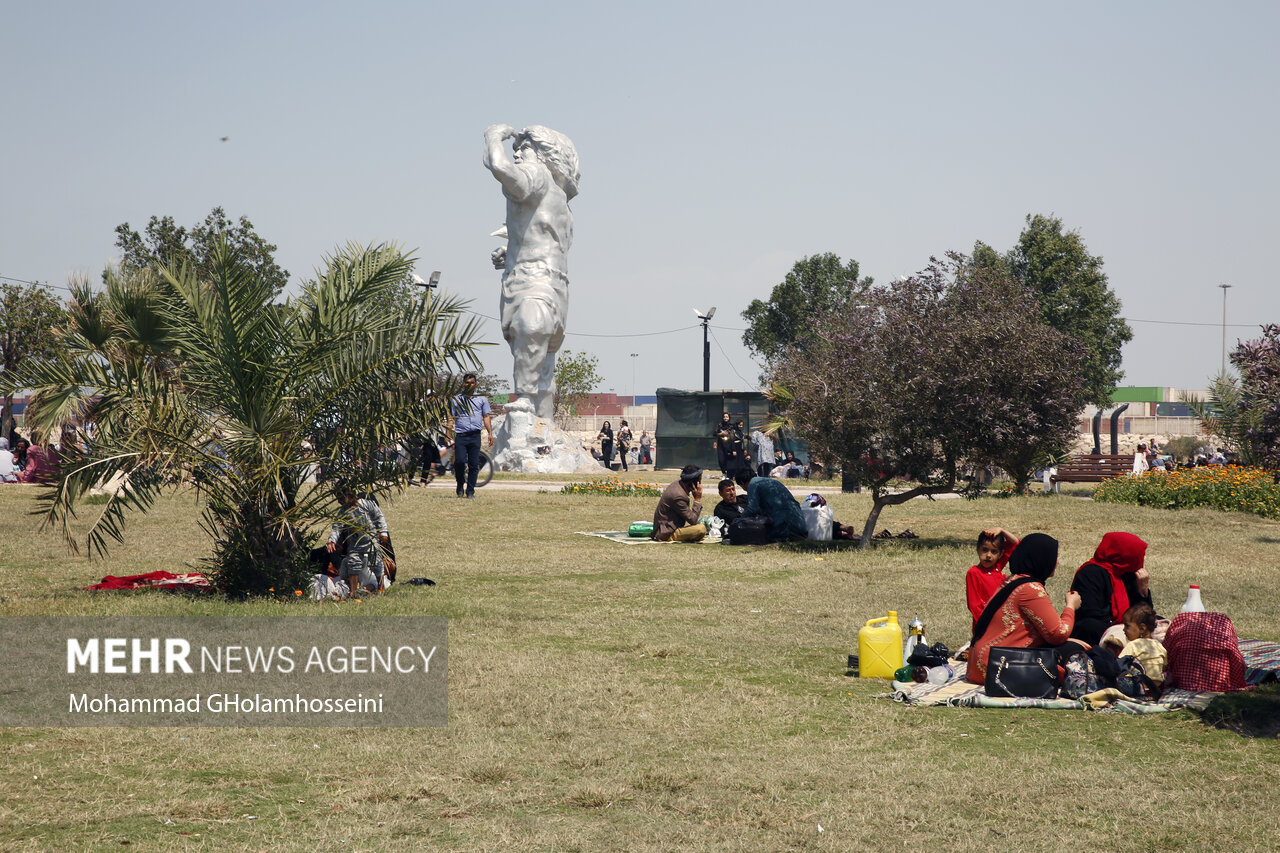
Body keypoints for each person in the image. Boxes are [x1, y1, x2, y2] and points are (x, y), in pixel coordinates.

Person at [483, 123, 580, 419]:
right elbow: (543, 240)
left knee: (530, 327)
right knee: (545, 361)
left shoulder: (536, 175)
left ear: (544, 154)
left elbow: (499, 166)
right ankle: (544, 424)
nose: (518, 154)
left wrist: (493, 137)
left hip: (531, 280)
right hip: (556, 284)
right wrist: (511, 252)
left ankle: (524, 401)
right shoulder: (562, 203)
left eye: (525, 148)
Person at [966, 533, 1081, 684]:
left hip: (979, 664)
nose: (1057, 562)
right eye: (1053, 557)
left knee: (1075, 646)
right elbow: (1057, 633)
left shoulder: (1013, 580)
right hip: (996, 669)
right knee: (1077, 654)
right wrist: (1071, 606)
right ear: (1041, 559)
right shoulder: (1030, 588)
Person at [1069, 531, 1153, 646]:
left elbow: (1144, 613)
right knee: (1090, 625)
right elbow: (1090, 611)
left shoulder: (1130, 574)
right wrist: (1119, 628)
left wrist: (1143, 591)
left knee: (1155, 622)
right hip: (1100, 628)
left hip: (1126, 625)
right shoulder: (1091, 573)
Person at [326, 483, 392, 596]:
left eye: (341, 498)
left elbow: (379, 516)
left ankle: (381, 587)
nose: (339, 501)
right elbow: (337, 527)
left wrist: (383, 532)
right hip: (355, 542)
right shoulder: (343, 511)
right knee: (353, 563)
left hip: (371, 539)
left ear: (350, 495)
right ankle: (353, 591)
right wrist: (332, 540)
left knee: (376, 562)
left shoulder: (365, 504)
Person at [964, 527, 1020, 628]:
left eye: (994, 552)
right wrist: (987, 626)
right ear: (978, 549)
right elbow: (974, 606)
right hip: (986, 626)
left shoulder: (997, 567)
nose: (989, 555)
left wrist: (1001, 530)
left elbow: (1015, 543)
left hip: (1003, 622)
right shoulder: (974, 573)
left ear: (1000, 554)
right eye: (985, 550)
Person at [449, 372, 494, 498]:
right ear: (463, 384)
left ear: (476, 384)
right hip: (461, 435)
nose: (470, 385)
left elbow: (486, 417)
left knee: (474, 464)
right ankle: (459, 485)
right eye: (467, 383)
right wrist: (448, 433)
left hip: (475, 435)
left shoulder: (482, 399)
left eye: (472, 383)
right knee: (459, 462)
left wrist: (490, 433)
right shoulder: (456, 399)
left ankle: (470, 491)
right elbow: (451, 417)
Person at [744, 476, 808, 543]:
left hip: (784, 528)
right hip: (799, 524)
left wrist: (742, 516)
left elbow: (753, 509)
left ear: (742, 483)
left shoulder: (752, 484)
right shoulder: (767, 481)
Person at [1118, 603, 1167, 688]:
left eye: (1127, 626)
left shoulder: (1133, 645)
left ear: (1142, 628)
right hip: (1157, 688)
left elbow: (1120, 663)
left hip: (1141, 686)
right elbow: (1165, 665)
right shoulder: (1158, 645)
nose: (1123, 630)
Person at [652, 465, 706, 542]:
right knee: (701, 529)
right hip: (666, 533)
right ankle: (672, 538)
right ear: (692, 483)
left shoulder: (677, 484)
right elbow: (693, 520)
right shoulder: (679, 496)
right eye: (699, 481)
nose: (700, 484)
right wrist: (697, 499)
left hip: (666, 528)